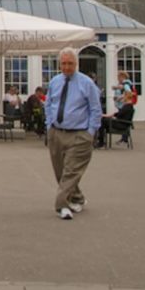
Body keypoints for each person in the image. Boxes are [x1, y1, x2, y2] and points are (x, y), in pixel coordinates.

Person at [44, 48, 101, 220]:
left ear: (76, 64)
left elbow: (95, 109)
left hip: (79, 134)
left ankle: (61, 205)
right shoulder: (55, 82)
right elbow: (48, 104)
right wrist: (49, 126)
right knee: (60, 172)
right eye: (64, 63)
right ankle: (77, 197)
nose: (67, 67)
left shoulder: (87, 83)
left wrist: (91, 132)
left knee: (70, 171)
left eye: (70, 64)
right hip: (57, 132)